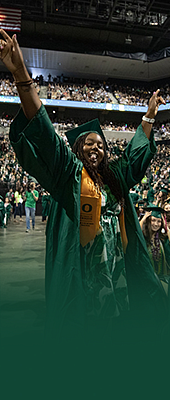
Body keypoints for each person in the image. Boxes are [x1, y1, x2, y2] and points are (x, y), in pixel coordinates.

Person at [0, 29, 168, 347]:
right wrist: (21, 74)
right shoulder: (69, 175)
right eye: (88, 144)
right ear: (77, 150)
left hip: (118, 275)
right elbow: (46, 137)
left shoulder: (116, 176)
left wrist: (148, 116)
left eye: (101, 145)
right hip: (83, 279)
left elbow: (135, 156)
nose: (96, 148)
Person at [139, 205, 170, 294]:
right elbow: (136, 234)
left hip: (161, 282)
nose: (156, 224)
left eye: (159, 221)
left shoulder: (161, 240)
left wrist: (166, 228)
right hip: (146, 284)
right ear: (148, 221)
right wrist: (144, 218)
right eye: (153, 220)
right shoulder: (143, 239)